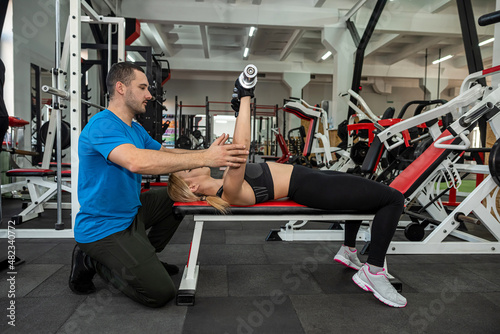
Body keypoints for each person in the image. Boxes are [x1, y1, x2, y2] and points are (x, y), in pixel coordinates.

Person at [167, 72, 407, 308]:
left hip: (311, 178)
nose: (192, 162)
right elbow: (241, 148)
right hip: (311, 187)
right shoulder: (229, 191)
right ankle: (373, 272)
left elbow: (222, 154)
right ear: (193, 186)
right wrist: (245, 97)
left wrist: (209, 155)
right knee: (393, 199)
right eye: (188, 169)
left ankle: (348, 250)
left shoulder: (223, 179)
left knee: (357, 184)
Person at [70, 62, 249, 308]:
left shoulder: (134, 128)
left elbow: (165, 153)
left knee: (175, 196)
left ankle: (142, 259)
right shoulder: (103, 125)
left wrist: (206, 153)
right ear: (121, 88)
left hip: (130, 212)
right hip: (104, 227)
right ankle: (94, 261)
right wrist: (206, 158)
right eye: (142, 87)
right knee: (160, 293)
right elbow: (135, 161)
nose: (149, 94)